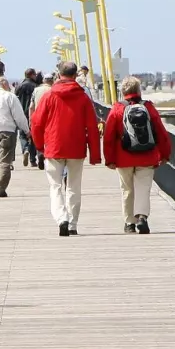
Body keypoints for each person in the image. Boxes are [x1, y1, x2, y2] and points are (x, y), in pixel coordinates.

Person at [30, 61, 102, 237]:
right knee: (74, 186)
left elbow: (36, 123)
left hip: (54, 146)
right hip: (76, 147)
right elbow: (92, 126)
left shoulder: (49, 96)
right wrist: (95, 154)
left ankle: (61, 218)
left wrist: (40, 145)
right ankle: (72, 223)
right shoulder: (83, 97)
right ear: (75, 74)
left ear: (58, 74)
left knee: (55, 186)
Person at [103, 75, 173, 234]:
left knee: (127, 190)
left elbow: (108, 136)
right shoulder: (148, 107)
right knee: (143, 188)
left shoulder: (117, 108)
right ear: (138, 90)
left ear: (122, 91)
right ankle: (142, 217)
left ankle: (129, 223)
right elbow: (161, 133)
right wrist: (165, 154)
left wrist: (110, 159)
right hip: (147, 155)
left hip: (123, 157)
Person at [14, 70, 42, 168]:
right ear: (31, 75)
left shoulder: (19, 86)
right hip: (32, 114)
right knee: (33, 137)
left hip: (21, 114)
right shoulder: (36, 87)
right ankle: (33, 160)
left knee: (22, 135)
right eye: (34, 75)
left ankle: (25, 149)